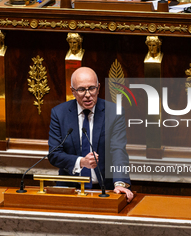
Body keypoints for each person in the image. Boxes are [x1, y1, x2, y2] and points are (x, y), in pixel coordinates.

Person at [48, 67, 133, 202]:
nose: (88, 95)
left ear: (98, 88)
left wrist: (120, 183)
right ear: (73, 91)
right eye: (81, 90)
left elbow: (118, 150)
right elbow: (54, 154)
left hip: (106, 189)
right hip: (70, 189)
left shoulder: (114, 112)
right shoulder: (59, 113)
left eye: (92, 88)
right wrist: (81, 162)